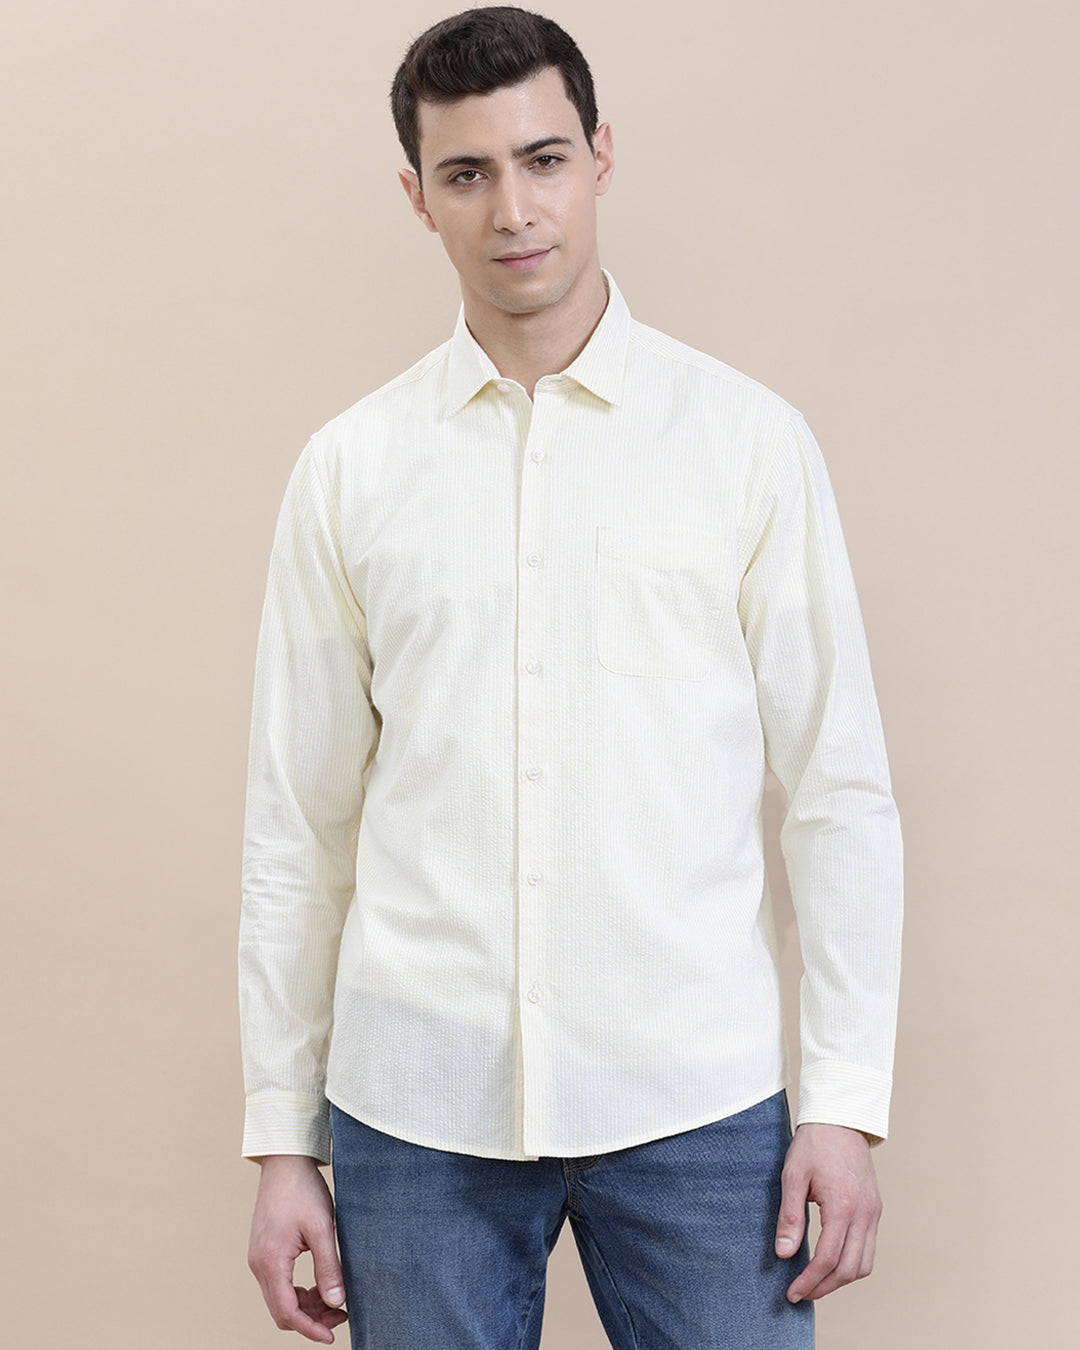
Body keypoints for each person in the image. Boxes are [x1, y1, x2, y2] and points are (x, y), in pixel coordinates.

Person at [239, 7, 903, 1348]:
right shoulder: (351, 469)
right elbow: (296, 829)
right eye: (467, 172)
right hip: (416, 1110)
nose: (513, 209)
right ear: (417, 195)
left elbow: (839, 790)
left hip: (696, 1100)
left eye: (542, 159)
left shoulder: (747, 445)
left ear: (602, 154)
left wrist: (843, 1101)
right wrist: (282, 1142)